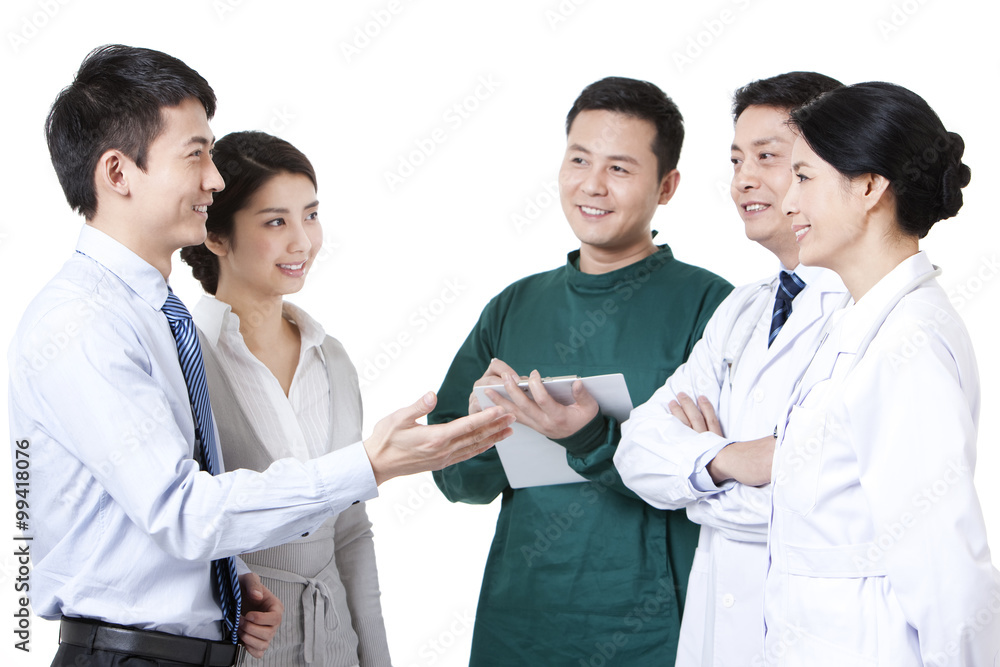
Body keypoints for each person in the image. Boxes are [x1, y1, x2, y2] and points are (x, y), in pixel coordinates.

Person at [7, 44, 513, 667]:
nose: (212, 181)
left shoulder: (152, 317)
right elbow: (181, 510)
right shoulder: (83, 320)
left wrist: (225, 578)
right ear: (118, 174)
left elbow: (158, 511)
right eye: (195, 156)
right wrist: (368, 464)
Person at [430, 76, 734, 665]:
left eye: (620, 168)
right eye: (579, 160)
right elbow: (457, 485)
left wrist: (592, 439)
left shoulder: (712, 308)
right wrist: (476, 437)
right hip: (521, 625)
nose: (592, 185)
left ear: (666, 186)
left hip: (657, 626)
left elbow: (722, 480)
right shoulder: (514, 307)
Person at [614, 72, 847, 666]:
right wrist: (727, 459)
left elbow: (823, 503)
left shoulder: (866, 313)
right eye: (738, 158)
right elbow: (636, 450)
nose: (743, 178)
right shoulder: (742, 307)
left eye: (768, 157)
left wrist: (691, 479)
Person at [764, 82, 1000, 665]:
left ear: (869, 186)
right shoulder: (859, 322)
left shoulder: (907, 343)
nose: (787, 201)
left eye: (804, 178)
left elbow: (948, 575)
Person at [179, 131, 390, 666]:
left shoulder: (332, 358)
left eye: (310, 215)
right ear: (216, 235)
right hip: (238, 643)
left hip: (334, 644)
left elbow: (351, 534)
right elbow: (175, 521)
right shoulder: (183, 358)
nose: (303, 241)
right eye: (276, 222)